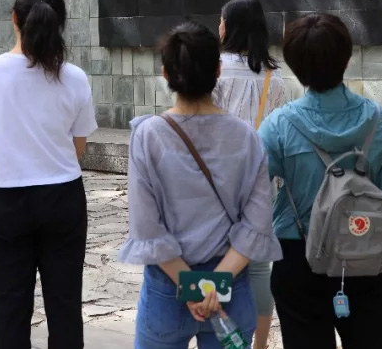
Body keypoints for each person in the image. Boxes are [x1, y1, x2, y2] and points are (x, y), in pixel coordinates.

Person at [120, 21, 282, 349]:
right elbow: (257, 225)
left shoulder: (148, 136)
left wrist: (192, 287)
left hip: (167, 287)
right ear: (218, 70)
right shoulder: (247, 137)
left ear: (166, 73)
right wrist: (213, 286)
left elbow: (147, 228)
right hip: (229, 288)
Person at [259, 13, 382, 349]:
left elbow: (250, 192)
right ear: (347, 58)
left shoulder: (278, 126)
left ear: (294, 65)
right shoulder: (379, 121)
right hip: (367, 250)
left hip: (298, 255)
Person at [0, 0, 97, 349]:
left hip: (4, 200)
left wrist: (7, 169)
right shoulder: (75, 78)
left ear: (14, 19)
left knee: (9, 308)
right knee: (65, 305)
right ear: (60, 23)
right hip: (63, 198)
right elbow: (78, 148)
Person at [212, 0, 286, 349]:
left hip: (218, 182)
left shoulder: (215, 71)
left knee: (218, 260)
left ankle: (223, 338)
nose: (219, 26)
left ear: (230, 27)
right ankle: (259, 344)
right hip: (261, 180)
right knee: (258, 267)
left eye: (221, 20)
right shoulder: (274, 77)